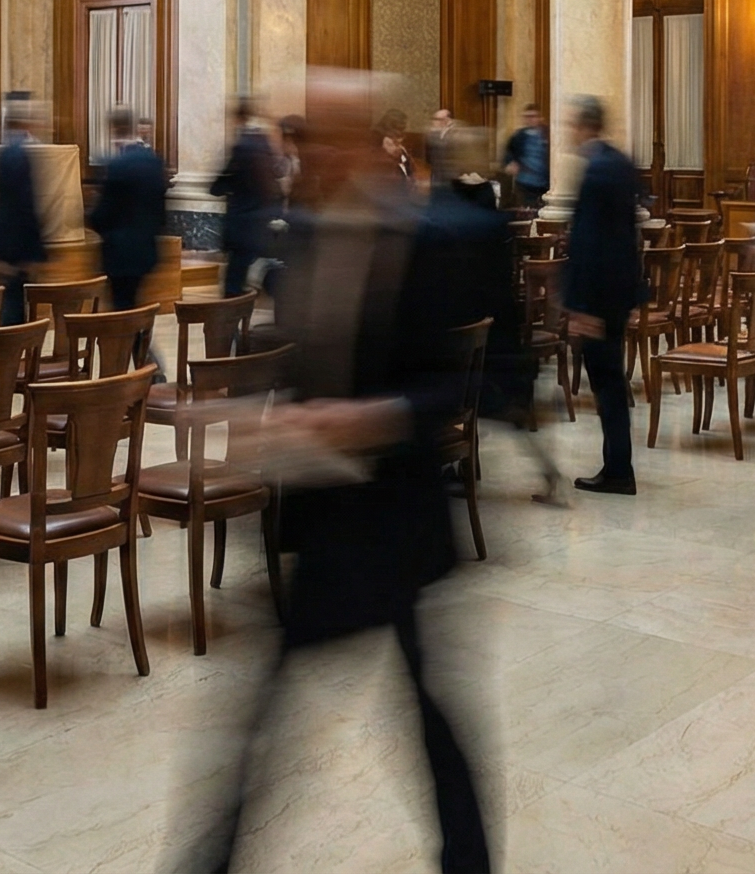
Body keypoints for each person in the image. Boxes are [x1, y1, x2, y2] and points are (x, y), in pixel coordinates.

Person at [184, 70, 493, 874]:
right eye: (305, 136)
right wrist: (253, 415)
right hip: (324, 515)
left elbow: (453, 385)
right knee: (265, 715)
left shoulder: (424, 239)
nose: (308, 152)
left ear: (363, 144)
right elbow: (306, 360)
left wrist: (368, 418)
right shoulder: (305, 234)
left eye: (324, 137)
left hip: (398, 514)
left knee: (426, 712)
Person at [562, 97, 645, 496]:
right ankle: (617, 464)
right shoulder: (621, 163)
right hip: (618, 293)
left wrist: (581, 306)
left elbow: (590, 243)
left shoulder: (596, 171)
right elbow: (629, 235)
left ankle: (618, 469)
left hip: (599, 298)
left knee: (607, 385)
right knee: (613, 383)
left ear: (583, 126)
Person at [88, 105, 168, 315]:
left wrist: (91, 219)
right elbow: (160, 210)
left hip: (120, 252)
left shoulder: (117, 165)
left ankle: (133, 336)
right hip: (146, 248)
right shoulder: (154, 162)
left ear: (113, 127)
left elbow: (103, 214)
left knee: (122, 308)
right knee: (136, 305)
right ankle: (140, 336)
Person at [0, 93, 49, 324]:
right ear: (23, 123)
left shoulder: (6, 152)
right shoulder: (18, 155)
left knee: (12, 303)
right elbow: (23, 204)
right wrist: (35, 251)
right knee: (13, 308)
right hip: (15, 246)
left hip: (6, 242)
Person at [210, 98, 281, 298]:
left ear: (238, 117)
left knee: (234, 281)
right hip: (260, 219)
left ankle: (230, 315)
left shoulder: (243, 146)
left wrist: (219, 186)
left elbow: (221, 183)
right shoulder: (264, 143)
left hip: (242, 221)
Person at [501, 104, 551, 212]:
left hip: (545, 182)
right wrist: (510, 163)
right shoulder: (519, 136)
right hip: (525, 182)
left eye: (533, 116)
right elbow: (509, 153)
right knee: (527, 211)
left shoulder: (548, 134)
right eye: (527, 117)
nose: (530, 120)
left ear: (540, 117)